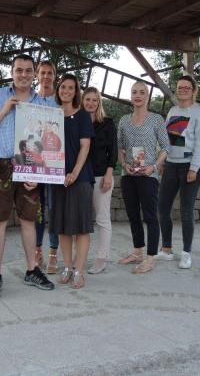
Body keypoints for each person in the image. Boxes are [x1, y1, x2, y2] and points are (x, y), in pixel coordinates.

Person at [0, 54, 56, 299]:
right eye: (19, 70)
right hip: (0, 165)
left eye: (28, 71)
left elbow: (51, 146)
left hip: (30, 166)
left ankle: (32, 269)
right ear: (12, 72)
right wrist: (3, 111)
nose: (24, 75)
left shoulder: (44, 105)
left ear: (34, 74)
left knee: (29, 220)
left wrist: (40, 174)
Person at [116, 81, 170, 274]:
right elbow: (120, 148)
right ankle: (137, 251)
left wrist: (154, 166)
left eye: (141, 92)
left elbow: (166, 147)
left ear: (147, 96)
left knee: (150, 216)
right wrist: (124, 164)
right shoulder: (123, 120)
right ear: (130, 96)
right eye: (134, 92)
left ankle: (150, 257)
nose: (137, 95)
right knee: (132, 215)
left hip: (148, 175)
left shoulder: (156, 119)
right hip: (128, 175)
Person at [156, 76, 200, 269]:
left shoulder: (199, 112)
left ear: (194, 90)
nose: (183, 90)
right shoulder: (172, 111)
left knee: (186, 212)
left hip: (189, 167)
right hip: (170, 165)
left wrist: (194, 167)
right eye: (180, 87)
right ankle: (167, 249)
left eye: (187, 87)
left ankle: (186, 253)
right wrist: (161, 161)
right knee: (162, 208)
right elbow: (166, 140)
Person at [50, 74, 95, 288]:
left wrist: (75, 173)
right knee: (62, 226)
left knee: (81, 227)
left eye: (71, 88)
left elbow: (85, 147)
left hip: (81, 177)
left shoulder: (83, 116)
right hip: (57, 177)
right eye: (63, 87)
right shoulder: (50, 115)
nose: (66, 91)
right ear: (58, 89)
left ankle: (79, 270)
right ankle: (67, 267)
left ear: (76, 92)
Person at [82, 87, 117, 274]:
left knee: (102, 219)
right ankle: (79, 258)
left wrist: (109, 175)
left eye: (94, 100)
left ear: (99, 103)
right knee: (80, 220)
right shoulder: (77, 123)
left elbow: (113, 151)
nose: (91, 103)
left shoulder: (108, 124)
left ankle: (101, 258)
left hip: (101, 175)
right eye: (87, 99)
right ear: (82, 101)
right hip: (81, 177)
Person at [33, 60, 60, 273]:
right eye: (42, 72)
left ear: (54, 76)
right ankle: (37, 250)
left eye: (50, 73)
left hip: (53, 163)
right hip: (33, 162)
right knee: (36, 209)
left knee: (53, 207)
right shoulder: (30, 99)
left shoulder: (59, 100)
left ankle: (53, 252)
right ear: (37, 75)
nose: (46, 76)